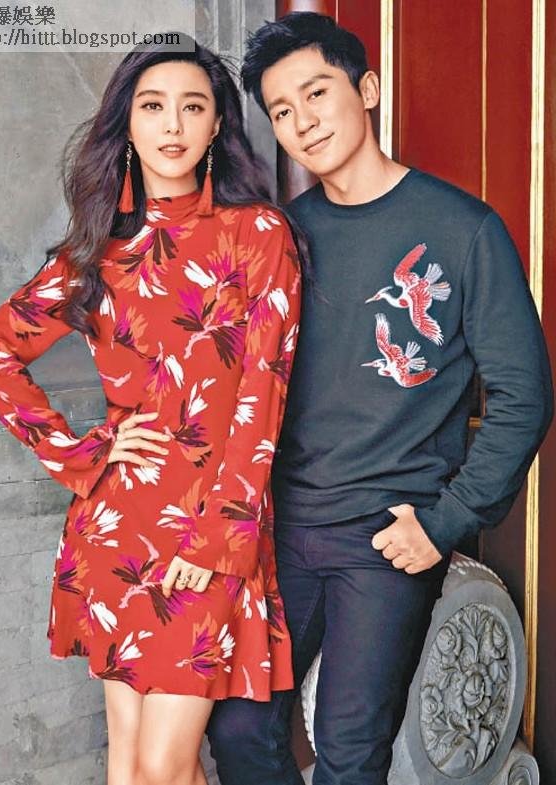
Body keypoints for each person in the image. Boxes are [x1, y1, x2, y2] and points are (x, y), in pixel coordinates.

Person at [206, 11, 554, 785]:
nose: (302, 121)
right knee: (237, 729)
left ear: (366, 89)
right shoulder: (281, 237)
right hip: (282, 528)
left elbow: (524, 395)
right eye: (281, 110)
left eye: (316, 93)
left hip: (389, 534)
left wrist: (445, 521)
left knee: (351, 747)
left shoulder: (463, 229)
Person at [0, 37, 303, 785]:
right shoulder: (96, 252)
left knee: (163, 764)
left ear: (218, 125)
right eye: (153, 106)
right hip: (116, 525)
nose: (172, 124)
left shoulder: (257, 235)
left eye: (192, 106)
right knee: (130, 768)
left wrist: (216, 542)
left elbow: (262, 398)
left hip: (213, 529)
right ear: (128, 123)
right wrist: (80, 454)